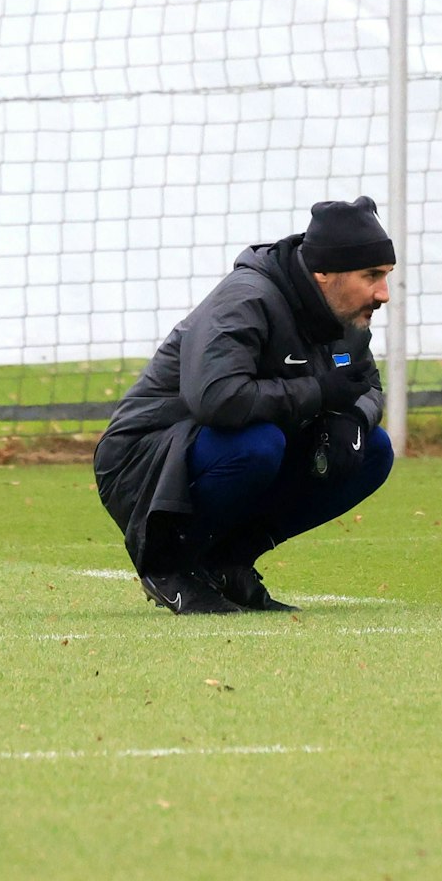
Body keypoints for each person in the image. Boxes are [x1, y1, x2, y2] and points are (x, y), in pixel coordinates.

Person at [94, 197, 399, 614]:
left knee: (373, 450)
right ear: (323, 273)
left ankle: (226, 563)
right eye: (371, 276)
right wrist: (320, 393)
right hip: (142, 458)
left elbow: (366, 385)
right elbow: (217, 398)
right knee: (258, 444)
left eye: (385, 276)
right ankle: (169, 565)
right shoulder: (247, 299)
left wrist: (352, 417)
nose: (383, 293)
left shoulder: (344, 315)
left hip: (221, 445)